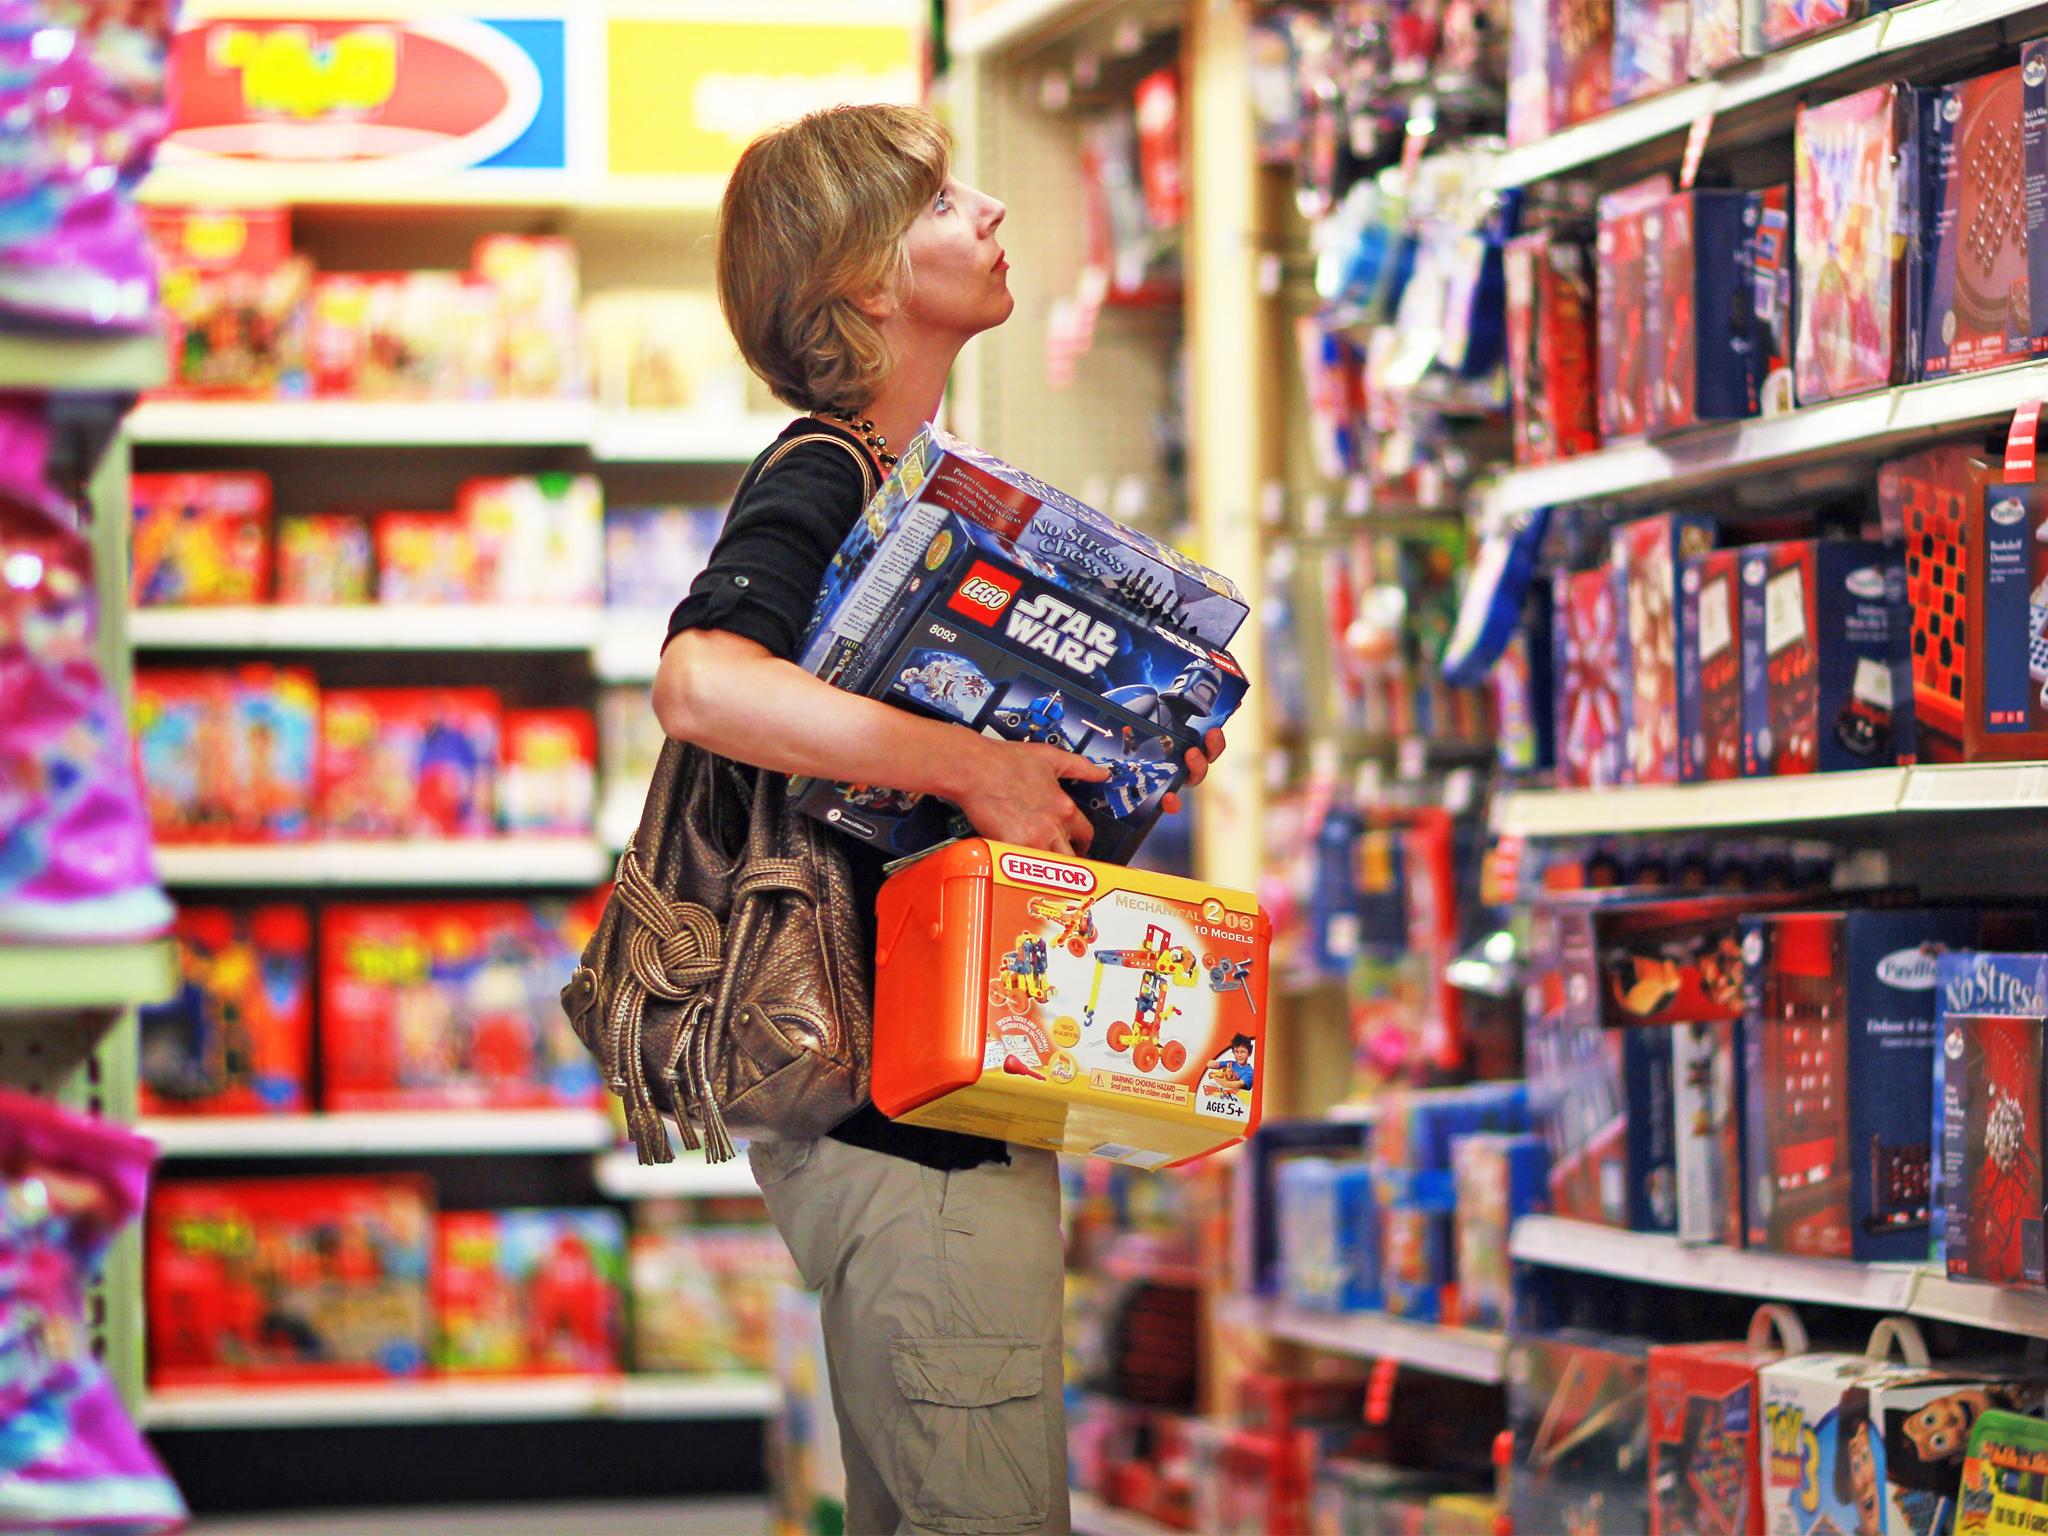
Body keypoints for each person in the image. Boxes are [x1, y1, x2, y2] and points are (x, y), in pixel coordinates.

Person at [651, 103, 1225, 1536]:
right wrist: (971, 763)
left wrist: (1109, 761)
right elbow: (703, 679)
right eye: (942, 201)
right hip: (905, 1129)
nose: (993, 211)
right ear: (861, 280)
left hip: (940, 1098)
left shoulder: (920, 485)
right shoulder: (824, 467)